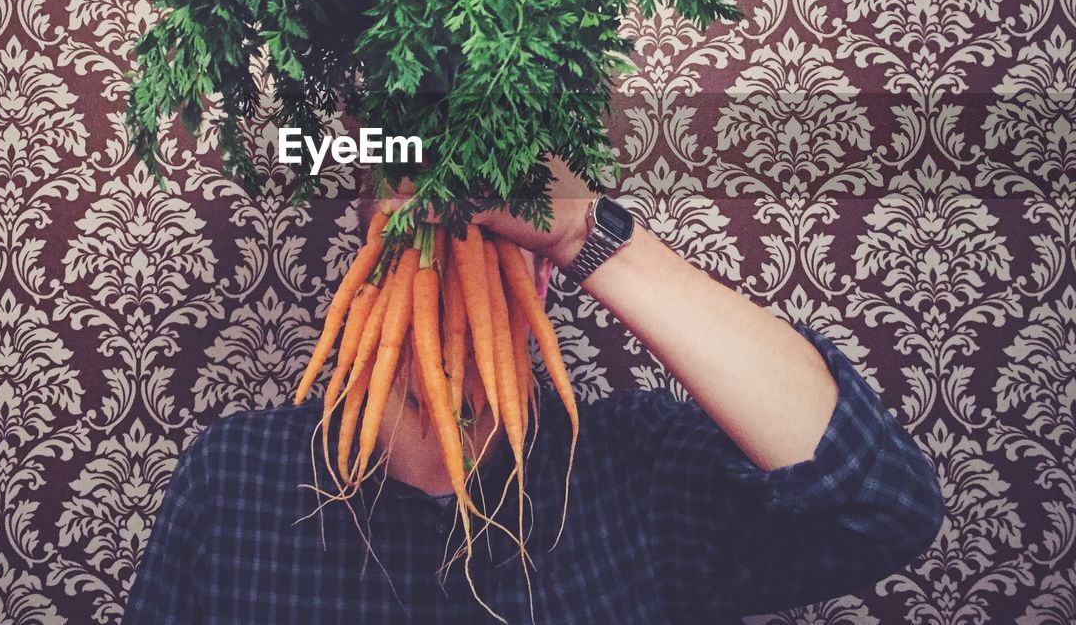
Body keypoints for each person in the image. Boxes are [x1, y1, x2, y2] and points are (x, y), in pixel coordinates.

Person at [121, 158, 944, 624]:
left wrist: (592, 234)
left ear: (545, 275)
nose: (443, 276)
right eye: (415, 241)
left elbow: (885, 505)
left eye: (487, 239)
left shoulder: (635, 471)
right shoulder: (233, 482)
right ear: (368, 261)